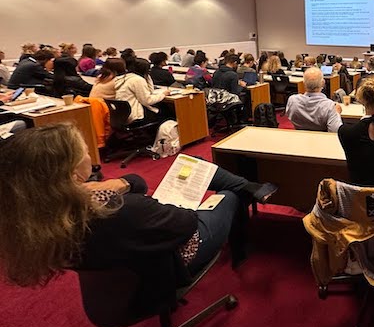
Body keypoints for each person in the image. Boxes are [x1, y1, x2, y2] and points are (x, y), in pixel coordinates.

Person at [0, 124, 278, 295]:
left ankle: (250, 186)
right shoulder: (121, 211)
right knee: (228, 195)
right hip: (176, 257)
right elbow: (185, 225)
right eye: (83, 150)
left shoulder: (39, 216)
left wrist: (118, 182)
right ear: (72, 171)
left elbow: (137, 183)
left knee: (191, 164)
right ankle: (241, 245)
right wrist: (173, 205)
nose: (89, 155)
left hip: (122, 279)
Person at [285, 67, 343, 132]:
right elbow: (335, 131)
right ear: (323, 83)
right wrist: (337, 113)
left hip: (299, 138)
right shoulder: (330, 106)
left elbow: (288, 115)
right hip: (322, 140)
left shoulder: (292, 100)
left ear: (304, 83)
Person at [115, 58, 170, 124]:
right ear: (145, 70)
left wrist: (147, 77)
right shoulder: (137, 80)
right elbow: (147, 100)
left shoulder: (123, 77)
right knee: (167, 113)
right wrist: (163, 94)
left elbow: (150, 91)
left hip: (122, 115)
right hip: (135, 115)